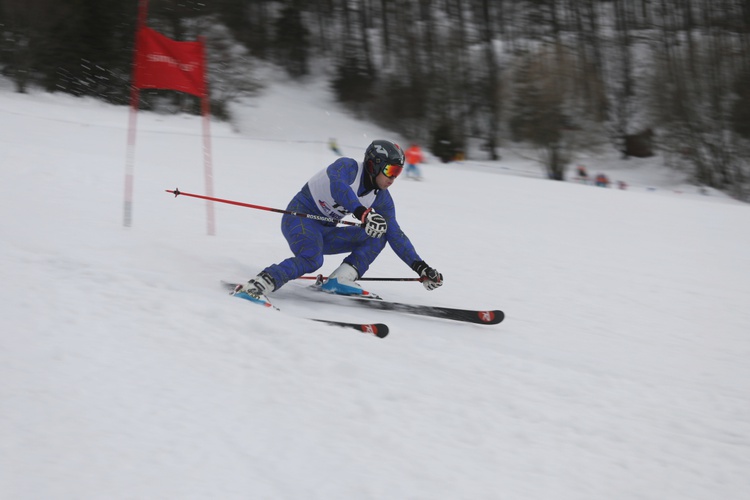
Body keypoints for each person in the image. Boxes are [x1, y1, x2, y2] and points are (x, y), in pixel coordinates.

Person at [235, 140, 444, 299]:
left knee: (379, 234)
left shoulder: (382, 198)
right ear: (374, 165)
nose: (393, 178)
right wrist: (362, 212)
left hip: (326, 232)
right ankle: (260, 284)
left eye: (398, 172)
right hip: (299, 219)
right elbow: (339, 189)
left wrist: (421, 268)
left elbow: (396, 234)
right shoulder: (347, 167)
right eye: (390, 170)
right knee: (312, 259)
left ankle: (341, 278)